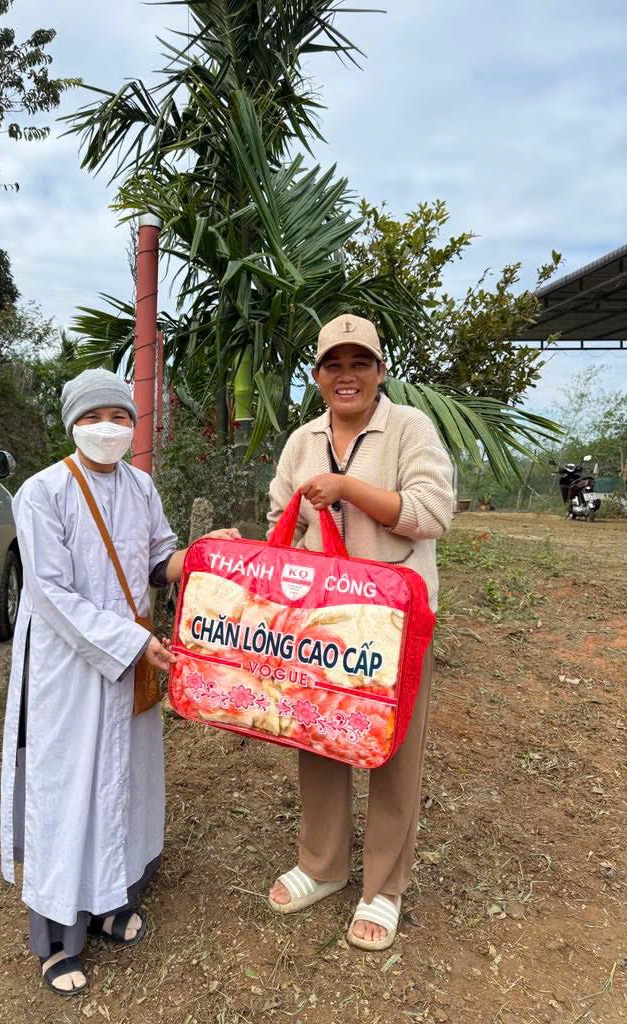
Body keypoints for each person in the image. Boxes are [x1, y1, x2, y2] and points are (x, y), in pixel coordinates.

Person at [0, 368, 239, 997]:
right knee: (70, 789)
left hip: (136, 661)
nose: (106, 427)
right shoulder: (42, 492)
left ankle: (111, 901)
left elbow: (159, 561)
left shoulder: (141, 486)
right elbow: (50, 594)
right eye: (92, 416)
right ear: (71, 424)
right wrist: (132, 643)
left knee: (127, 780)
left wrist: (204, 554)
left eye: (119, 416)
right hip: (71, 670)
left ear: (133, 424)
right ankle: (56, 940)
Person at [266, 314, 453, 952]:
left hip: (395, 624)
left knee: (393, 749)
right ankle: (323, 864)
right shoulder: (302, 440)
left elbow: (433, 511)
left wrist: (349, 489)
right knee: (319, 735)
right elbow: (283, 519)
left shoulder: (409, 428)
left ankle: (383, 886)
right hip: (320, 625)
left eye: (360, 363)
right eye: (334, 365)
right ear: (318, 376)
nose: (347, 376)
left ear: (380, 371)